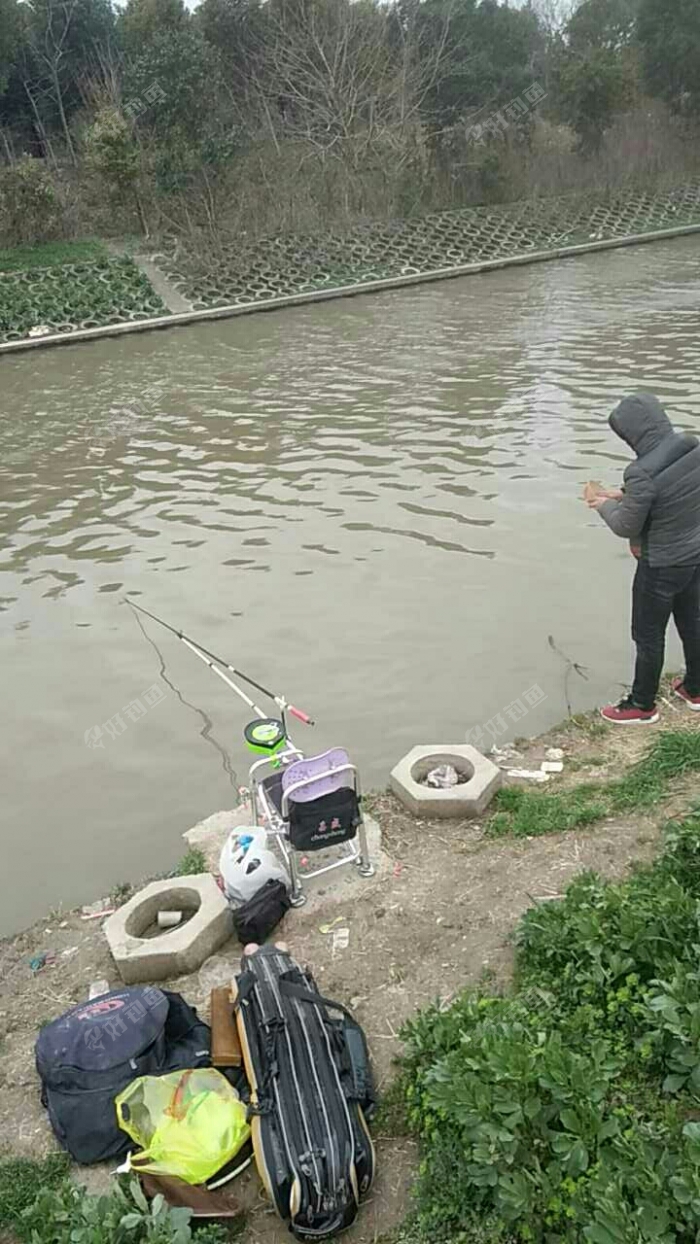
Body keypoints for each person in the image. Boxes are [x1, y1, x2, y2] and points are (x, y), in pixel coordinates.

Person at [585, 392, 700, 724]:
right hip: (693, 555)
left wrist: (604, 505)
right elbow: (670, 487)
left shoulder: (640, 472)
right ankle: (695, 689)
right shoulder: (691, 446)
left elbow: (626, 526)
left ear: (632, 434)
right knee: (693, 623)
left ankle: (642, 704)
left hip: (660, 566)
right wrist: (624, 494)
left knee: (648, 635)